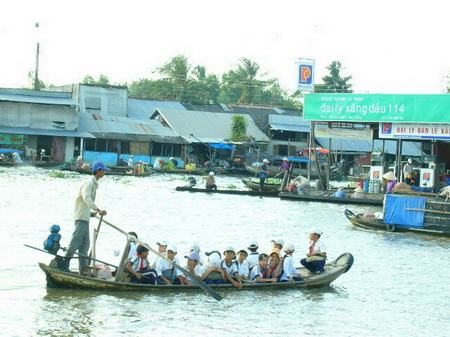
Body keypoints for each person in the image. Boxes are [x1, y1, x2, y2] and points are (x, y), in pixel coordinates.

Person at [64, 161, 109, 273]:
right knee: (75, 241)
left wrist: (93, 214)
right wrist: (97, 209)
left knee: (85, 246)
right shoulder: (89, 183)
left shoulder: (94, 183)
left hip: (85, 217)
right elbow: (86, 198)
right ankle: (64, 264)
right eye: (103, 170)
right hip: (81, 217)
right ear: (98, 171)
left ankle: (83, 270)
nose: (105, 172)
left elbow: (85, 204)